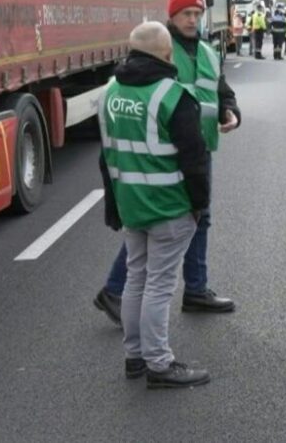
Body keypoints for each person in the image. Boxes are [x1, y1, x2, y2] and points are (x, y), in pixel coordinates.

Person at [94, 0, 240, 324]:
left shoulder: (206, 51)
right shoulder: (159, 49)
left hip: (198, 145)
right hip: (164, 151)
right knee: (159, 226)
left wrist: (229, 110)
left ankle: (195, 289)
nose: (192, 19)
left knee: (196, 220)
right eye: (185, 13)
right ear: (172, 16)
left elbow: (219, 89)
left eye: (197, 13)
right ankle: (116, 290)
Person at [98, 21, 210, 388]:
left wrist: (114, 207)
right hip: (169, 207)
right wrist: (198, 207)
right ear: (166, 53)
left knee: (136, 280)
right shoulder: (172, 96)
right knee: (160, 287)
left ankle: (135, 358)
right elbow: (195, 160)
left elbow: (106, 156)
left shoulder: (110, 92)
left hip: (132, 206)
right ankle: (159, 364)